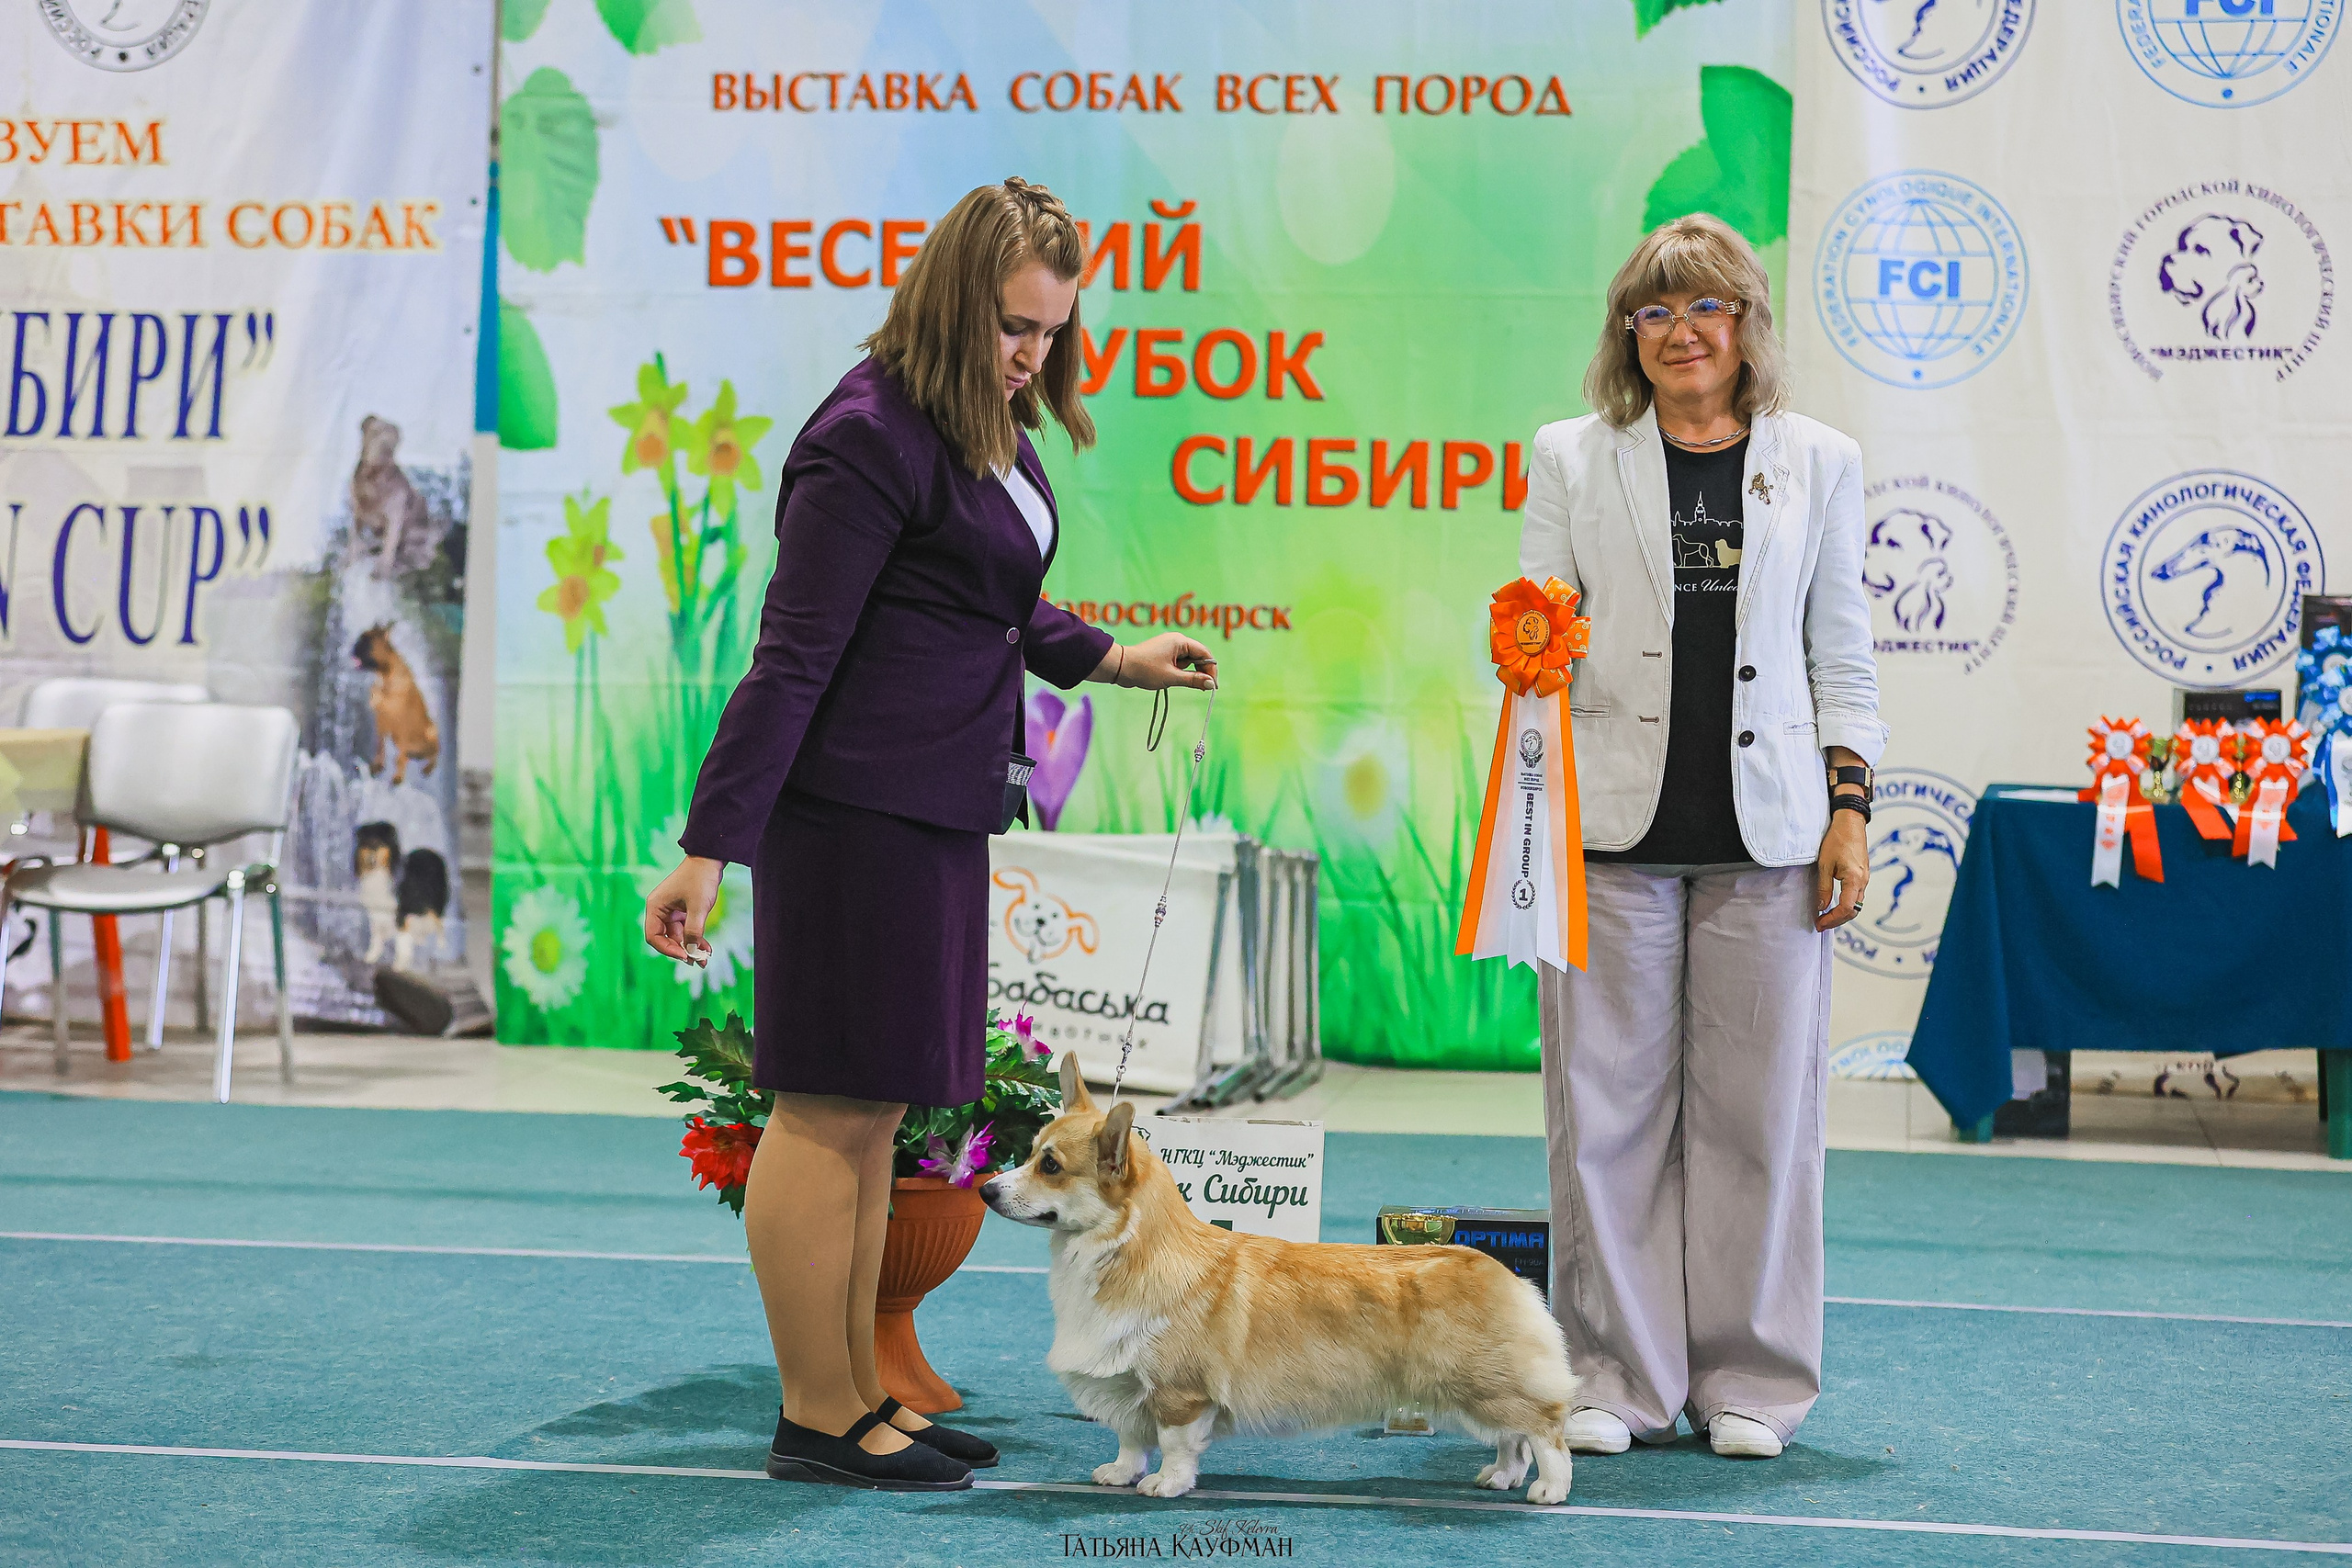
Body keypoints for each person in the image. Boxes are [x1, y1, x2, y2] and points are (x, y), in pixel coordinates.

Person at [640, 178, 1216, 1492]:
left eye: (1052, 334)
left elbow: (987, 606)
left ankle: (859, 1397)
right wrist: (710, 847)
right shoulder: (864, 437)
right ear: (955, 299)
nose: (1034, 356)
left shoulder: (978, 427)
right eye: (1016, 326)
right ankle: (818, 1412)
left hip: (937, 811)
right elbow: (790, 662)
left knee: (874, 1112)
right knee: (825, 1113)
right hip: (851, 822)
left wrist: (1113, 657)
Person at [1518, 213, 1883, 1461]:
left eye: (1707, 309)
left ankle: (1752, 1383)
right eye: (1657, 312)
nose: (1683, 332)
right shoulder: (1569, 456)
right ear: (1632, 331)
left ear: (1746, 328)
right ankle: (1613, 1376)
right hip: (1606, 833)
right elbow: (1536, 638)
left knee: (1759, 1118)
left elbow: (1844, 654)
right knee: (1602, 1111)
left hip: (1773, 836)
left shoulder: (1822, 460)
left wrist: (1852, 808)